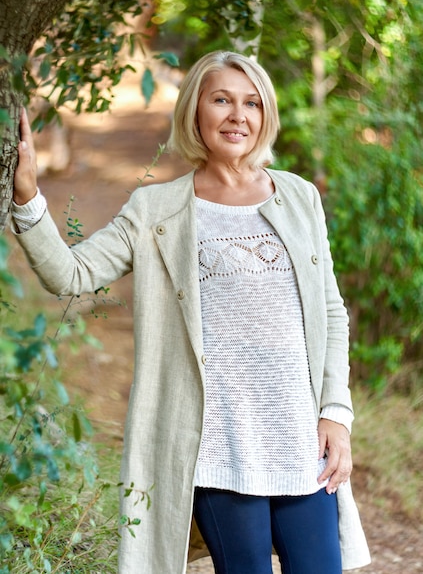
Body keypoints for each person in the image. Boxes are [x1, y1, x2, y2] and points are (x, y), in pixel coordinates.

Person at [12, 50, 370, 574]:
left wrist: (336, 414)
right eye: (221, 99)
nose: (237, 115)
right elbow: (71, 276)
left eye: (251, 103)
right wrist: (28, 199)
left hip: (300, 440)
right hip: (216, 445)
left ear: (265, 115)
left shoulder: (298, 196)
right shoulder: (157, 210)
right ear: (195, 113)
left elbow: (331, 312)